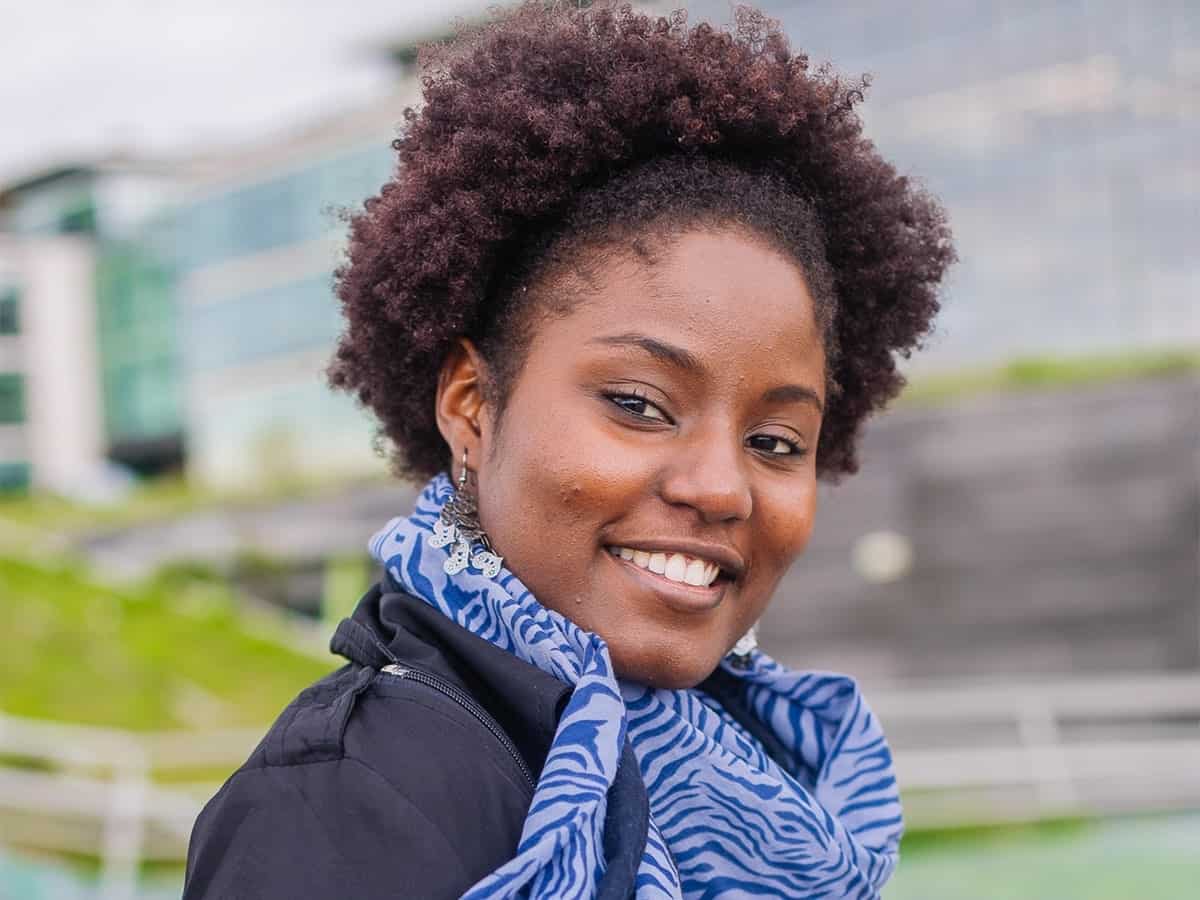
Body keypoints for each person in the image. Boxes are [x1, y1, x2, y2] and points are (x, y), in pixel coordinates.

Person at [183, 3, 954, 898]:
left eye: (776, 441)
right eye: (638, 403)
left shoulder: (773, 773)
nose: (720, 488)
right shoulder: (343, 804)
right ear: (472, 406)